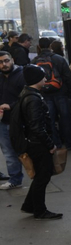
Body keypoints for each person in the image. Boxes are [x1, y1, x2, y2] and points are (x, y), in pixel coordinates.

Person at [16, 65, 62, 219]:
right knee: (43, 176)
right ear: (36, 79)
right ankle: (39, 210)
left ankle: (29, 205)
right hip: (38, 144)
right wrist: (50, 144)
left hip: (33, 142)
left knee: (40, 176)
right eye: (43, 77)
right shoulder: (33, 99)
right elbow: (37, 126)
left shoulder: (27, 94)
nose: (45, 79)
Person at [34, 37, 71, 150]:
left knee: (50, 120)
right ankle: (70, 143)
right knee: (65, 118)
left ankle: (56, 143)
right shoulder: (59, 59)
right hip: (60, 92)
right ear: (50, 46)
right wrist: (70, 92)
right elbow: (68, 77)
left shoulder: (35, 61)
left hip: (44, 94)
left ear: (39, 46)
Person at [0, 50, 25, 190]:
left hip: (19, 120)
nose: (4, 64)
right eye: (1, 62)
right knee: (8, 151)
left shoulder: (21, 76)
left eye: (6, 61)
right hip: (3, 121)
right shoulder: (1, 78)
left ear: (12, 60)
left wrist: (10, 105)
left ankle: (38, 175)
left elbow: (25, 98)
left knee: (23, 150)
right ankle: (15, 178)